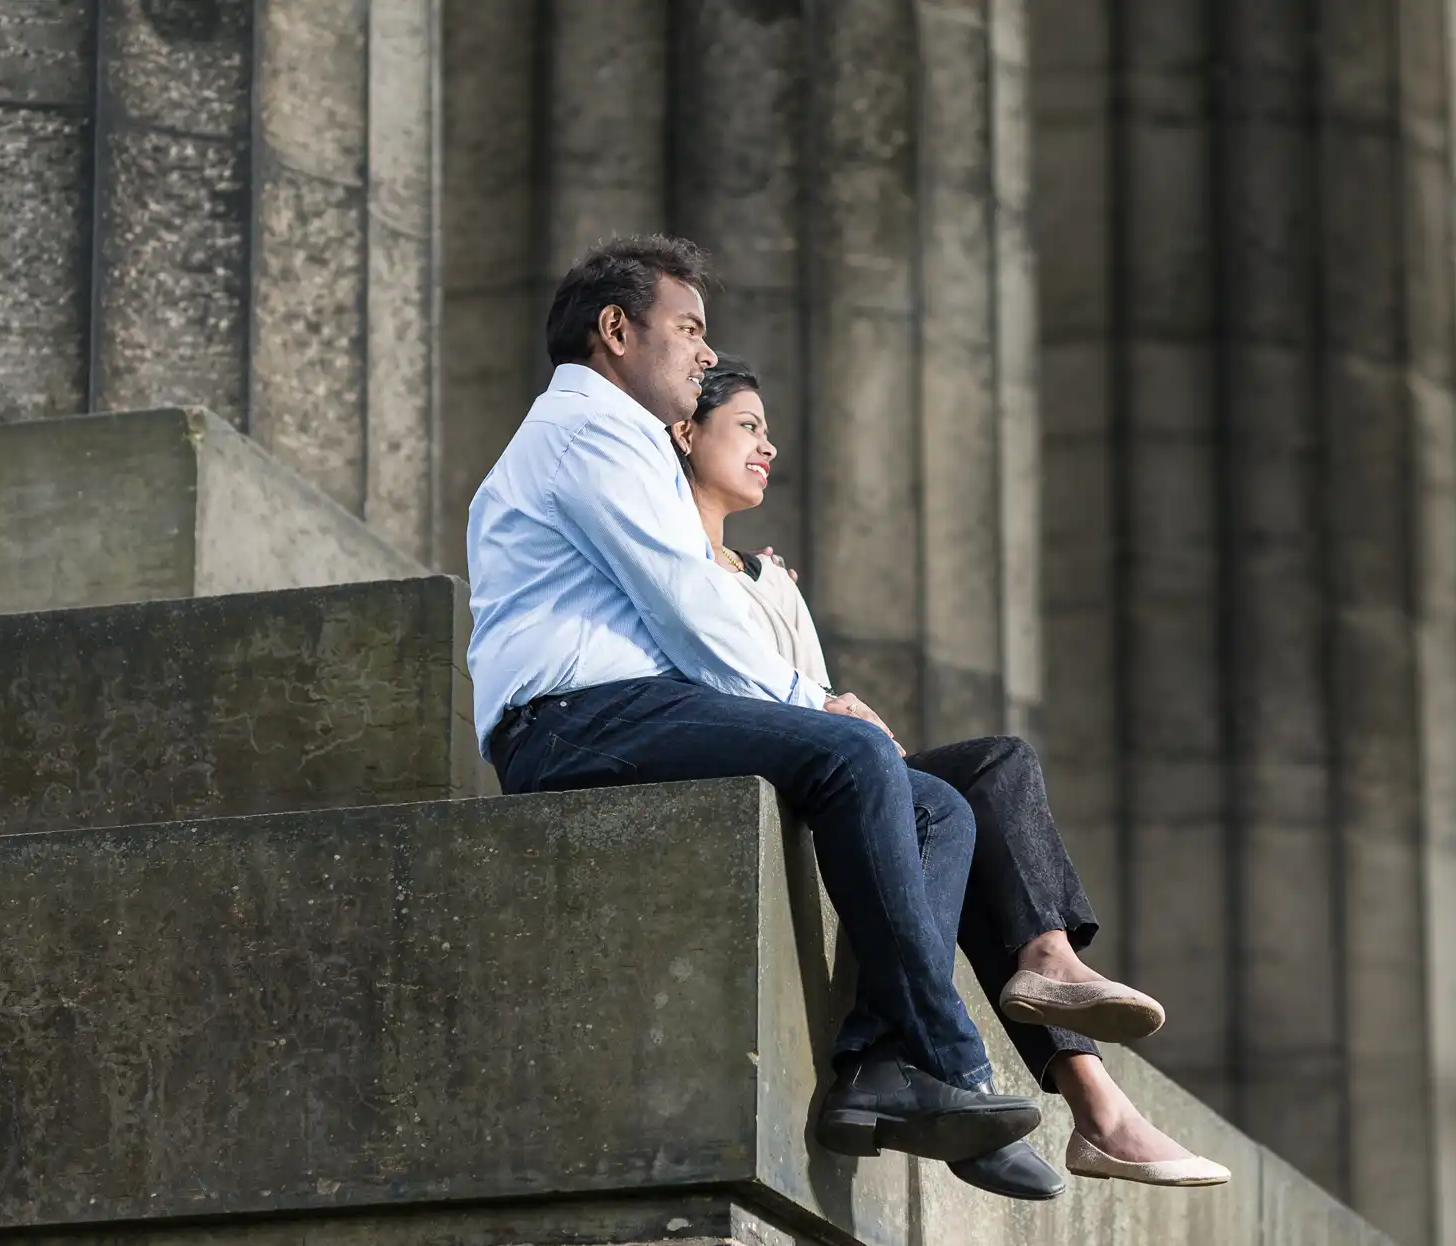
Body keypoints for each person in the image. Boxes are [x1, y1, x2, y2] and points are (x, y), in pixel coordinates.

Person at [467, 235, 1041, 1168]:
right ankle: (954, 1067)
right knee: (854, 756)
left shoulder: (629, 444)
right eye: (688, 328)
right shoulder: (584, 432)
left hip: (631, 706)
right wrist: (815, 707)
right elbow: (686, 605)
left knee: (937, 804)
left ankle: (875, 1063)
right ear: (615, 330)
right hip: (570, 722)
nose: (703, 353)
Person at [668, 356, 1231, 1196]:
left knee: (998, 768)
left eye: (767, 430)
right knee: (949, 809)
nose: (768, 447)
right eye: (747, 426)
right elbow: (742, 698)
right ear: (686, 432)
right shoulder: (659, 557)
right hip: (764, 773)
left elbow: (816, 691)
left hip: (832, 772)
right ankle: (1078, 1095)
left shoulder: (771, 580)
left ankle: (1056, 982)